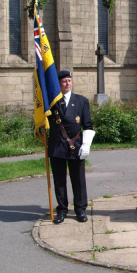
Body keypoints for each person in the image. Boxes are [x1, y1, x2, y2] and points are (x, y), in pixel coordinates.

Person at [48, 70, 96, 224]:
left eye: (69, 80)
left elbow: (87, 124)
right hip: (57, 145)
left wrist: (86, 144)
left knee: (78, 179)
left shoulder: (81, 101)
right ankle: (62, 209)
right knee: (59, 180)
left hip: (75, 145)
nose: (67, 83)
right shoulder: (51, 101)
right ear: (59, 84)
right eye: (64, 81)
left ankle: (80, 209)